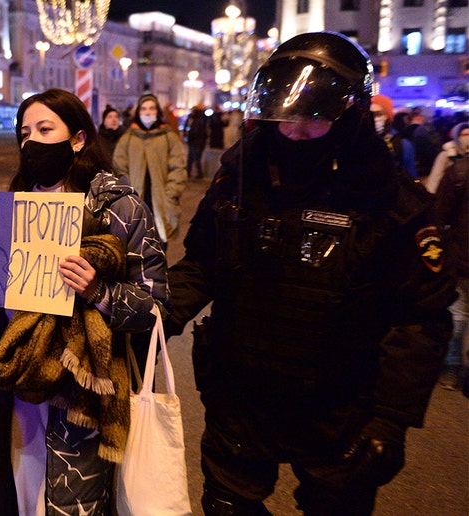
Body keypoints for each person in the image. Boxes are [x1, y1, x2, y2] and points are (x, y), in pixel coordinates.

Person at [163, 32, 456, 514]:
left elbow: (421, 319)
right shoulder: (241, 173)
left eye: (313, 119)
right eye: (286, 118)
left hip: (339, 409)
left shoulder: (392, 200)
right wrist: (149, 319)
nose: (294, 131)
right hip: (241, 397)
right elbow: (200, 266)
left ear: (351, 115)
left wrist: (391, 420)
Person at [0, 88, 170, 515]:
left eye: (46, 129)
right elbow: (4, 301)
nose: (32, 141)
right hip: (19, 386)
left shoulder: (118, 207)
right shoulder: (17, 203)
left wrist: (98, 293)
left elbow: (156, 307)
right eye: (25, 132)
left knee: (70, 503)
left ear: (78, 139)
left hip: (79, 396)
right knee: (21, 495)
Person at [113, 93, 188, 248]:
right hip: (135, 201)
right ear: (138, 112)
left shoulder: (168, 136)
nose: (148, 112)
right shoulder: (128, 138)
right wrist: (127, 193)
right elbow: (119, 167)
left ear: (158, 112)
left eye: (152, 108)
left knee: (160, 246)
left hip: (161, 202)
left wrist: (171, 193)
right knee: (135, 246)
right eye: (144, 109)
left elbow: (178, 167)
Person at [434, 147, 468, 392]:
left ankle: (452, 367)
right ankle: (454, 365)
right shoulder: (459, 171)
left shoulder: (459, 171)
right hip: (463, 258)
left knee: (458, 315)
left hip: (463, 257)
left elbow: (440, 214)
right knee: (458, 315)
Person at [370, 94, 417, 178]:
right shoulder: (357, 142)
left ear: (388, 117)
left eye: (378, 114)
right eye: (370, 115)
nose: (373, 119)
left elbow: (411, 177)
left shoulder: (403, 145)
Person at [424, 121, 469, 194]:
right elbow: (435, 177)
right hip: (450, 195)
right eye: (465, 135)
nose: (467, 137)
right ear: (457, 136)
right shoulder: (446, 154)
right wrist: (430, 196)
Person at [202, 104, 229, 179]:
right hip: (214, 136)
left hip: (219, 136)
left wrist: (226, 119)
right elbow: (210, 124)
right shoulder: (212, 116)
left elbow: (225, 124)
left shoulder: (221, 115)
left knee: (217, 154)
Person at [183, 103, 208, 179]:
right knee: (194, 157)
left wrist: (187, 136)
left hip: (195, 140)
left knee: (194, 157)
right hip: (198, 140)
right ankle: (190, 172)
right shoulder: (202, 117)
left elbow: (192, 129)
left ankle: (196, 173)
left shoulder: (196, 117)